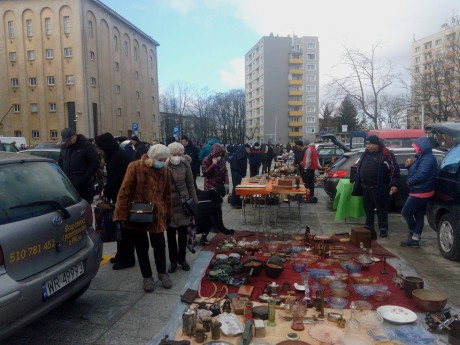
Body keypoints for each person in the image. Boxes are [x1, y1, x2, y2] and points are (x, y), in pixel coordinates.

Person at [114, 144, 173, 293]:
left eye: (165, 159)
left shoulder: (164, 170)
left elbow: (167, 194)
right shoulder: (135, 167)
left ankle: (162, 273)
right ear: (152, 157)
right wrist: (120, 214)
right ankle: (147, 277)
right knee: (141, 247)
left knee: (159, 245)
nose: (163, 162)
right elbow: (125, 191)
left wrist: (168, 213)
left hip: (157, 213)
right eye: (161, 159)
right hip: (138, 213)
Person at [95, 132, 135, 270]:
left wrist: (106, 191)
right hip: (118, 197)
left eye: (100, 147)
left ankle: (128, 258)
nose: (100, 150)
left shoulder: (119, 157)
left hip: (124, 198)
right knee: (119, 228)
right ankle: (121, 254)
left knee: (125, 229)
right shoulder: (114, 155)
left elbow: (119, 179)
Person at [352, 135, 400, 239]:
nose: (367, 146)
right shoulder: (365, 154)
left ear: (377, 145)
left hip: (379, 187)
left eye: (370, 144)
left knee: (381, 209)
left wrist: (394, 184)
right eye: (367, 144)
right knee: (368, 208)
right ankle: (369, 227)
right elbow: (359, 167)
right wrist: (357, 179)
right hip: (365, 187)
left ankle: (383, 228)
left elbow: (394, 170)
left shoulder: (387, 155)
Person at [166, 142, 198, 273]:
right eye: (174, 154)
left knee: (183, 234)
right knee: (171, 235)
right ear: (169, 154)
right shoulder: (164, 165)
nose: (177, 157)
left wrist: (195, 202)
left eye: (179, 154)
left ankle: (182, 259)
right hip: (169, 205)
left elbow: (191, 184)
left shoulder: (185, 164)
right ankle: (173, 261)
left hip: (183, 204)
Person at [400, 137, 438, 248]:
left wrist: (409, 181)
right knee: (419, 215)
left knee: (405, 212)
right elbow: (417, 172)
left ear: (421, 148)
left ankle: (412, 233)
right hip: (422, 190)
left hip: (421, 191)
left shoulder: (427, 159)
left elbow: (421, 175)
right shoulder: (423, 157)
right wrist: (409, 167)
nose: (414, 150)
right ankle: (415, 239)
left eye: (416, 148)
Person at [58, 128, 99, 204]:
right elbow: (60, 162)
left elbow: (95, 163)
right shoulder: (64, 147)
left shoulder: (86, 145)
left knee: (85, 209)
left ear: (75, 135)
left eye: (69, 139)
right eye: (66, 140)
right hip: (69, 186)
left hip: (84, 187)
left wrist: (85, 177)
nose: (68, 142)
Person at [230, 144, 251, 208]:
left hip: (236, 171)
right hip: (237, 171)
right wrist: (242, 171)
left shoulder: (240, 151)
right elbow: (240, 161)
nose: (249, 151)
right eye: (249, 149)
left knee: (237, 187)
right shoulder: (243, 152)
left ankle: (238, 201)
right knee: (236, 187)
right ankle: (234, 203)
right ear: (246, 148)